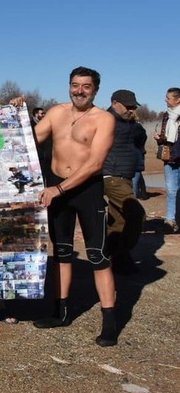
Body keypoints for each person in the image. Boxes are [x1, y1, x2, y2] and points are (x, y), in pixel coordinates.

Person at [32, 66, 118, 346]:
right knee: (62, 252)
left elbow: (95, 163)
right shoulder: (56, 113)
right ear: (69, 85)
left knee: (98, 255)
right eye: (75, 85)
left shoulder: (103, 119)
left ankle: (110, 322)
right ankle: (62, 312)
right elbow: (31, 139)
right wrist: (12, 115)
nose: (79, 91)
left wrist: (58, 189)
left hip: (86, 189)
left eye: (86, 86)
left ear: (95, 90)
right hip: (57, 188)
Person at [101, 89, 146, 274]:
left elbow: (141, 137)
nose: (130, 109)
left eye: (133, 106)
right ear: (114, 103)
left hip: (125, 175)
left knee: (118, 220)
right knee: (136, 214)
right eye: (127, 106)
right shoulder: (106, 121)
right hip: (112, 175)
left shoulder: (129, 123)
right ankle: (120, 254)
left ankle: (112, 256)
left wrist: (133, 122)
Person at [154, 87, 180, 233]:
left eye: (168, 97)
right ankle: (170, 220)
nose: (165, 100)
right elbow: (167, 138)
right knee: (171, 190)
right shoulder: (166, 115)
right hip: (169, 157)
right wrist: (159, 139)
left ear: (178, 100)